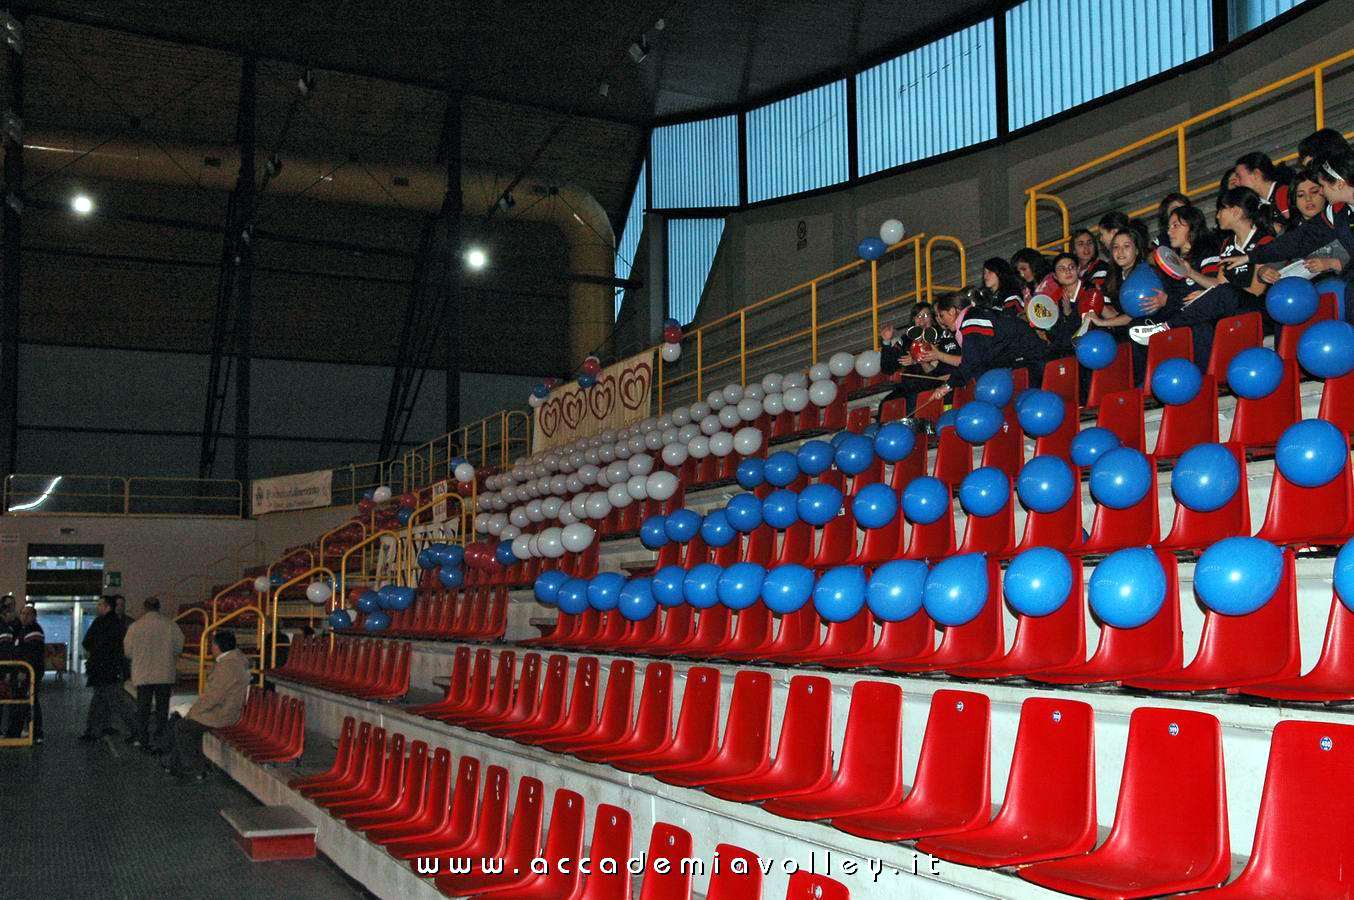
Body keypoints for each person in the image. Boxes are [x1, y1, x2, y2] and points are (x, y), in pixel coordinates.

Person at [1228, 151, 1354, 322]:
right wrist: (1252, 256)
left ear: (1339, 184)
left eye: (1322, 186)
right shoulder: (1338, 212)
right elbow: (1297, 241)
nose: (1322, 193)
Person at [1127, 204, 1236, 365]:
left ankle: (1205, 380)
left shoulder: (1207, 251)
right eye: (1169, 226)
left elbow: (1216, 286)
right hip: (1175, 311)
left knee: (1200, 328)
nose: (1169, 232)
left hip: (1201, 315)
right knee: (1134, 327)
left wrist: (1190, 273)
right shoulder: (1170, 259)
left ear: (1192, 225)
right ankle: (1147, 381)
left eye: (1176, 225)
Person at [921, 288, 1051, 408]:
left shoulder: (971, 321)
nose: (942, 322)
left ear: (952, 311)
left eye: (942, 316)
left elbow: (972, 360)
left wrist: (948, 385)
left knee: (1026, 408)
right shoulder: (977, 314)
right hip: (1023, 360)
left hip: (1028, 361)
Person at [164, 630, 250, 780]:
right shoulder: (232, 662)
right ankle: (176, 764)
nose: (211, 648)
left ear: (217, 647)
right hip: (221, 710)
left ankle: (196, 768)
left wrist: (192, 712)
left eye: (212, 644)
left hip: (222, 714)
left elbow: (213, 697)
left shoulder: (227, 667)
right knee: (181, 721)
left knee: (182, 726)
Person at [876, 302, 959, 423]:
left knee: (913, 397)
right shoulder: (905, 340)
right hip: (908, 386)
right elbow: (887, 368)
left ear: (932, 318)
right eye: (918, 316)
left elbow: (938, 366)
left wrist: (916, 360)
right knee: (886, 402)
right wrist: (887, 342)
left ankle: (913, 430)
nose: (922, 320)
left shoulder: (939, 336)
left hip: (929, 383)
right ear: (913, 319)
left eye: (926, 315)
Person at [123, 596, 184, 752]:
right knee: (162, 709)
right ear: (159, 607)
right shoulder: (171, 625)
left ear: (144, 608)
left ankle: (143, 739)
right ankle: (160, 738)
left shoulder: (135, 627)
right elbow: (179, 648)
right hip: (165, 673)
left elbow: (128, 652)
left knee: (143, 709)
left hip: (143, 674)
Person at [80, 596, 136, 742]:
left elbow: (86, 643)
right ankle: (94, 731)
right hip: (113, 669)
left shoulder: (99, 623)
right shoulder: (119, 624)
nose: (97, 607)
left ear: (107, 607)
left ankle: (93, 732)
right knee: (109, 702)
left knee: (110, 702)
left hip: (101, 670)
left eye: (100, 604)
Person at [1047, 252, 1105, 355]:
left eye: (1071, 267)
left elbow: (1089, 325)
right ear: (1055, 276)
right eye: (1062, 269)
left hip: (1091, 346)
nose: (1068, 271)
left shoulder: (1091, 290)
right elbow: (1056, 334)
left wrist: (1069, 313)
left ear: (1078, 269)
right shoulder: (1054, 298)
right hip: (1066, 350)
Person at [6, 606, 45, 743]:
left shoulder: (34, 632)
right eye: (22, 613)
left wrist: (23, 671)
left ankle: (36, 733)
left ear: (34, 616)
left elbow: (32, 653)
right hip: (20, 671)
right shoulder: (21, 630)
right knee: (20, 700)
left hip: (29, 672)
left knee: (30, 700)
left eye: (28, 614)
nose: (24, 616)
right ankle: (16, 731)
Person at [1233, 152, 1293, 225]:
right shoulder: (1255, 208)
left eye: (1239, 177)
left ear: (1256, 174)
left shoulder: (1287, 194)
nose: (1236, 183)